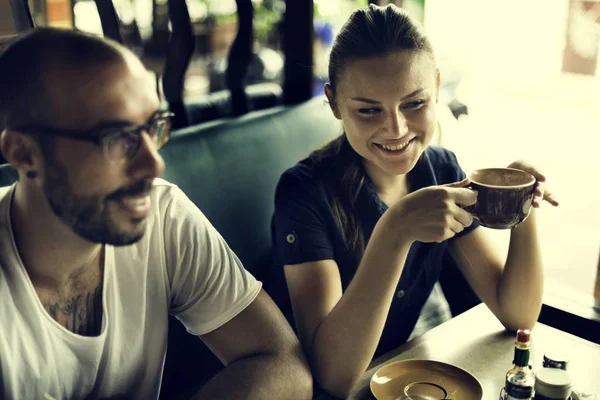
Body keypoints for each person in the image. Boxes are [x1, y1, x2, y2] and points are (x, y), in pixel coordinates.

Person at [0, 28, 312, 400]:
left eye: (153, 128)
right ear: (23, 155)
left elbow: (283, 364)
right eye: (117, 139)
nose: (154, 163)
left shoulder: (161, 214)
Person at [269, 4, 559, 398]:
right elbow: (332, 376)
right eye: (369, 110)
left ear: (437, 87)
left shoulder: (440, 168)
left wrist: (522, 202)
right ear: (335, 104)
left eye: (415, 103)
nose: (397, 128)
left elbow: (518, 314)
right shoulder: (302, 193)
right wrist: (396, 229)